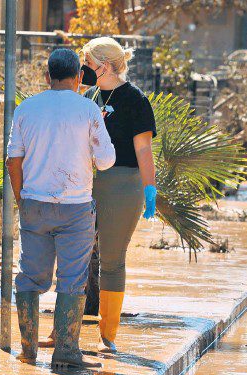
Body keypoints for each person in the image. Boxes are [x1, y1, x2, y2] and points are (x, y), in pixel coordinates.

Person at [6, 48, 115, 368]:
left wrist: (21, 200)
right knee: (72, 278)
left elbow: (14, 160)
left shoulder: (26, 108)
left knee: (30, 277)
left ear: (47, 76)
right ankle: (66, 351)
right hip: (76, 208)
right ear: (80, 77)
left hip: (34, 205)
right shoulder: (88, 110)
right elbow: (106, 161)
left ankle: (28, 349)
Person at [81, 37, 157, 353]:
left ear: (107, 65)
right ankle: (65, 330)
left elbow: (144, 149)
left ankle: (107, 335)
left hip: (123, 184)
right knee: (76, 257)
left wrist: (149, 189)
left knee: (111, 260)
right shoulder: (88, 96)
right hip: (85, 182)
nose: (84, 71)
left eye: (89, 66)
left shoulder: (135, 100)